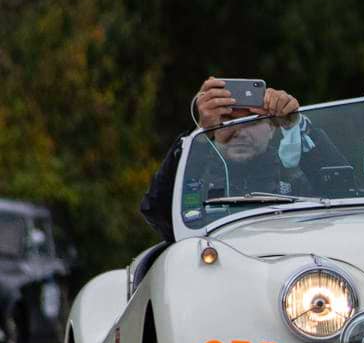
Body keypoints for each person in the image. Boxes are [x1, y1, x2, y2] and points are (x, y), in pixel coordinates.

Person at [140, 77, 331, 242]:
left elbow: (341, 190)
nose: (239, 132)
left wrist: (299, 126)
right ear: (213, 129)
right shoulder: (197, 176)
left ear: (272, 128)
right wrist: (199, 136)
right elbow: (157, 213)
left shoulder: (295, 177)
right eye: (227, 120)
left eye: (252, 121)